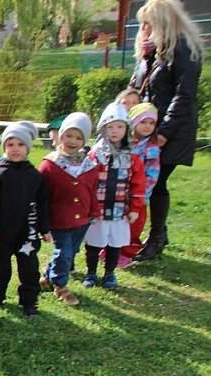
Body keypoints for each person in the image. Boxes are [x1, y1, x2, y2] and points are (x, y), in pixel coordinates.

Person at [129, 0, 203, 262]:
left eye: (149, 23)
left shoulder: (183, 49)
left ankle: (157, 237)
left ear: (164, 22)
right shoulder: (153, 51)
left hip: (171, 130)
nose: (145, 28)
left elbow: (184, 95)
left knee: (156, 181)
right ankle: (161, 232)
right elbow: (140, 87)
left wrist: (165, 133)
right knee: (146, 179)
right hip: (148, 128)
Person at [0, 121, 52, 315]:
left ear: (28, 148)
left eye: (20, 145)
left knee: (29, 269)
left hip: (27, 233)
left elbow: (42, 204)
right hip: (4, 233)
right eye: (10, 144)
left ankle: (29, 301)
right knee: (0, 268)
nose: (15, 149)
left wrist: (45, 228)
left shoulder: (35, 176)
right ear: (4, 147)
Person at [83, 102, 146, 290]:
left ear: (126, 128)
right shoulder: (96, 154)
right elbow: (88, 181)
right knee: (94, 243)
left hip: (120, 211)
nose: (115, 131)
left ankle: (109, 273)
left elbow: (137, 185)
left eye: (119, 126)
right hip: (98, 210)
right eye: (110, 127)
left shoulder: (131, 156)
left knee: (114, 244)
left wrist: (135, 208)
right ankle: (91, 272)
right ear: (103, 128)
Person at [39, 112, 99, 305]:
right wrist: (42, 221)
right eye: (69, 135)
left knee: (70, 253)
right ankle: (61, 286)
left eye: (79, 137)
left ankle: (48, 277)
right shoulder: (50, 164)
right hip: (59, 219)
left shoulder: (89, 166)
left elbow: (93, 191)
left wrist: (94, 212)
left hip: (82, 220)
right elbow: (40, 195)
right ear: (61, 136)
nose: (73, 141)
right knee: (64, 253)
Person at [122, 102, 161, 263]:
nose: (147, 126)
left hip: (138, 195)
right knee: (117, 223)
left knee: (134, 225)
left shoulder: (151, 148)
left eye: (151, 123)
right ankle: (110, 250)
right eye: (143, 122)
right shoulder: (126, 144)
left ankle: (127, 253)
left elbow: (152, 175)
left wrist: (143, 195)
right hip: (119, 192)